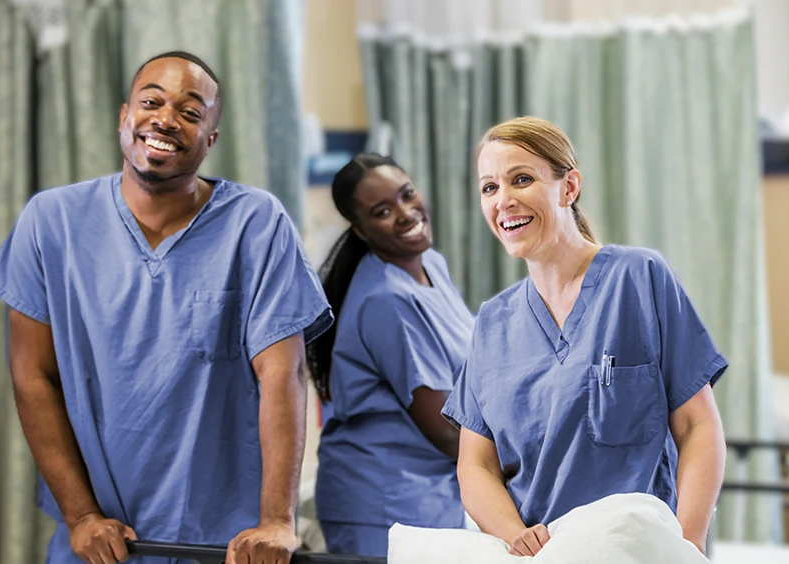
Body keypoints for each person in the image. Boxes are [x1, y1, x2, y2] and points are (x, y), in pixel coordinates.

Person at [0, 51, 333, 564]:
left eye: (191, 112)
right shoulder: (51, 223)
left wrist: (277, 521)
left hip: (222, 543)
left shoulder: (256, 225)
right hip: (100, 541)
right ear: (124, 117)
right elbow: (32, 375)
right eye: (151, 102)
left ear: (211, 140)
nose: (166, 119)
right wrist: (81, 515)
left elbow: (283, 373)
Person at [442, 116, 726, 557]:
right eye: (489, 188)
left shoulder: (639, 279)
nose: (504, 201)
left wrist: (687, 545)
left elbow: (698, 426)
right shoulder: (493, 324)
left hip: (639, 553)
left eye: (521, 179)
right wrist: (516, 534)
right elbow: (475, 465)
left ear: (568, 187)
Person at [305, 154, 474, 557]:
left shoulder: (431, 265)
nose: (405, 213)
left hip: (428, 494)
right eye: (382, 211)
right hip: (383, 504)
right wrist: (534, 460)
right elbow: (446, 432)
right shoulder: (388, 300)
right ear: (361, 231)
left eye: (407, 195)